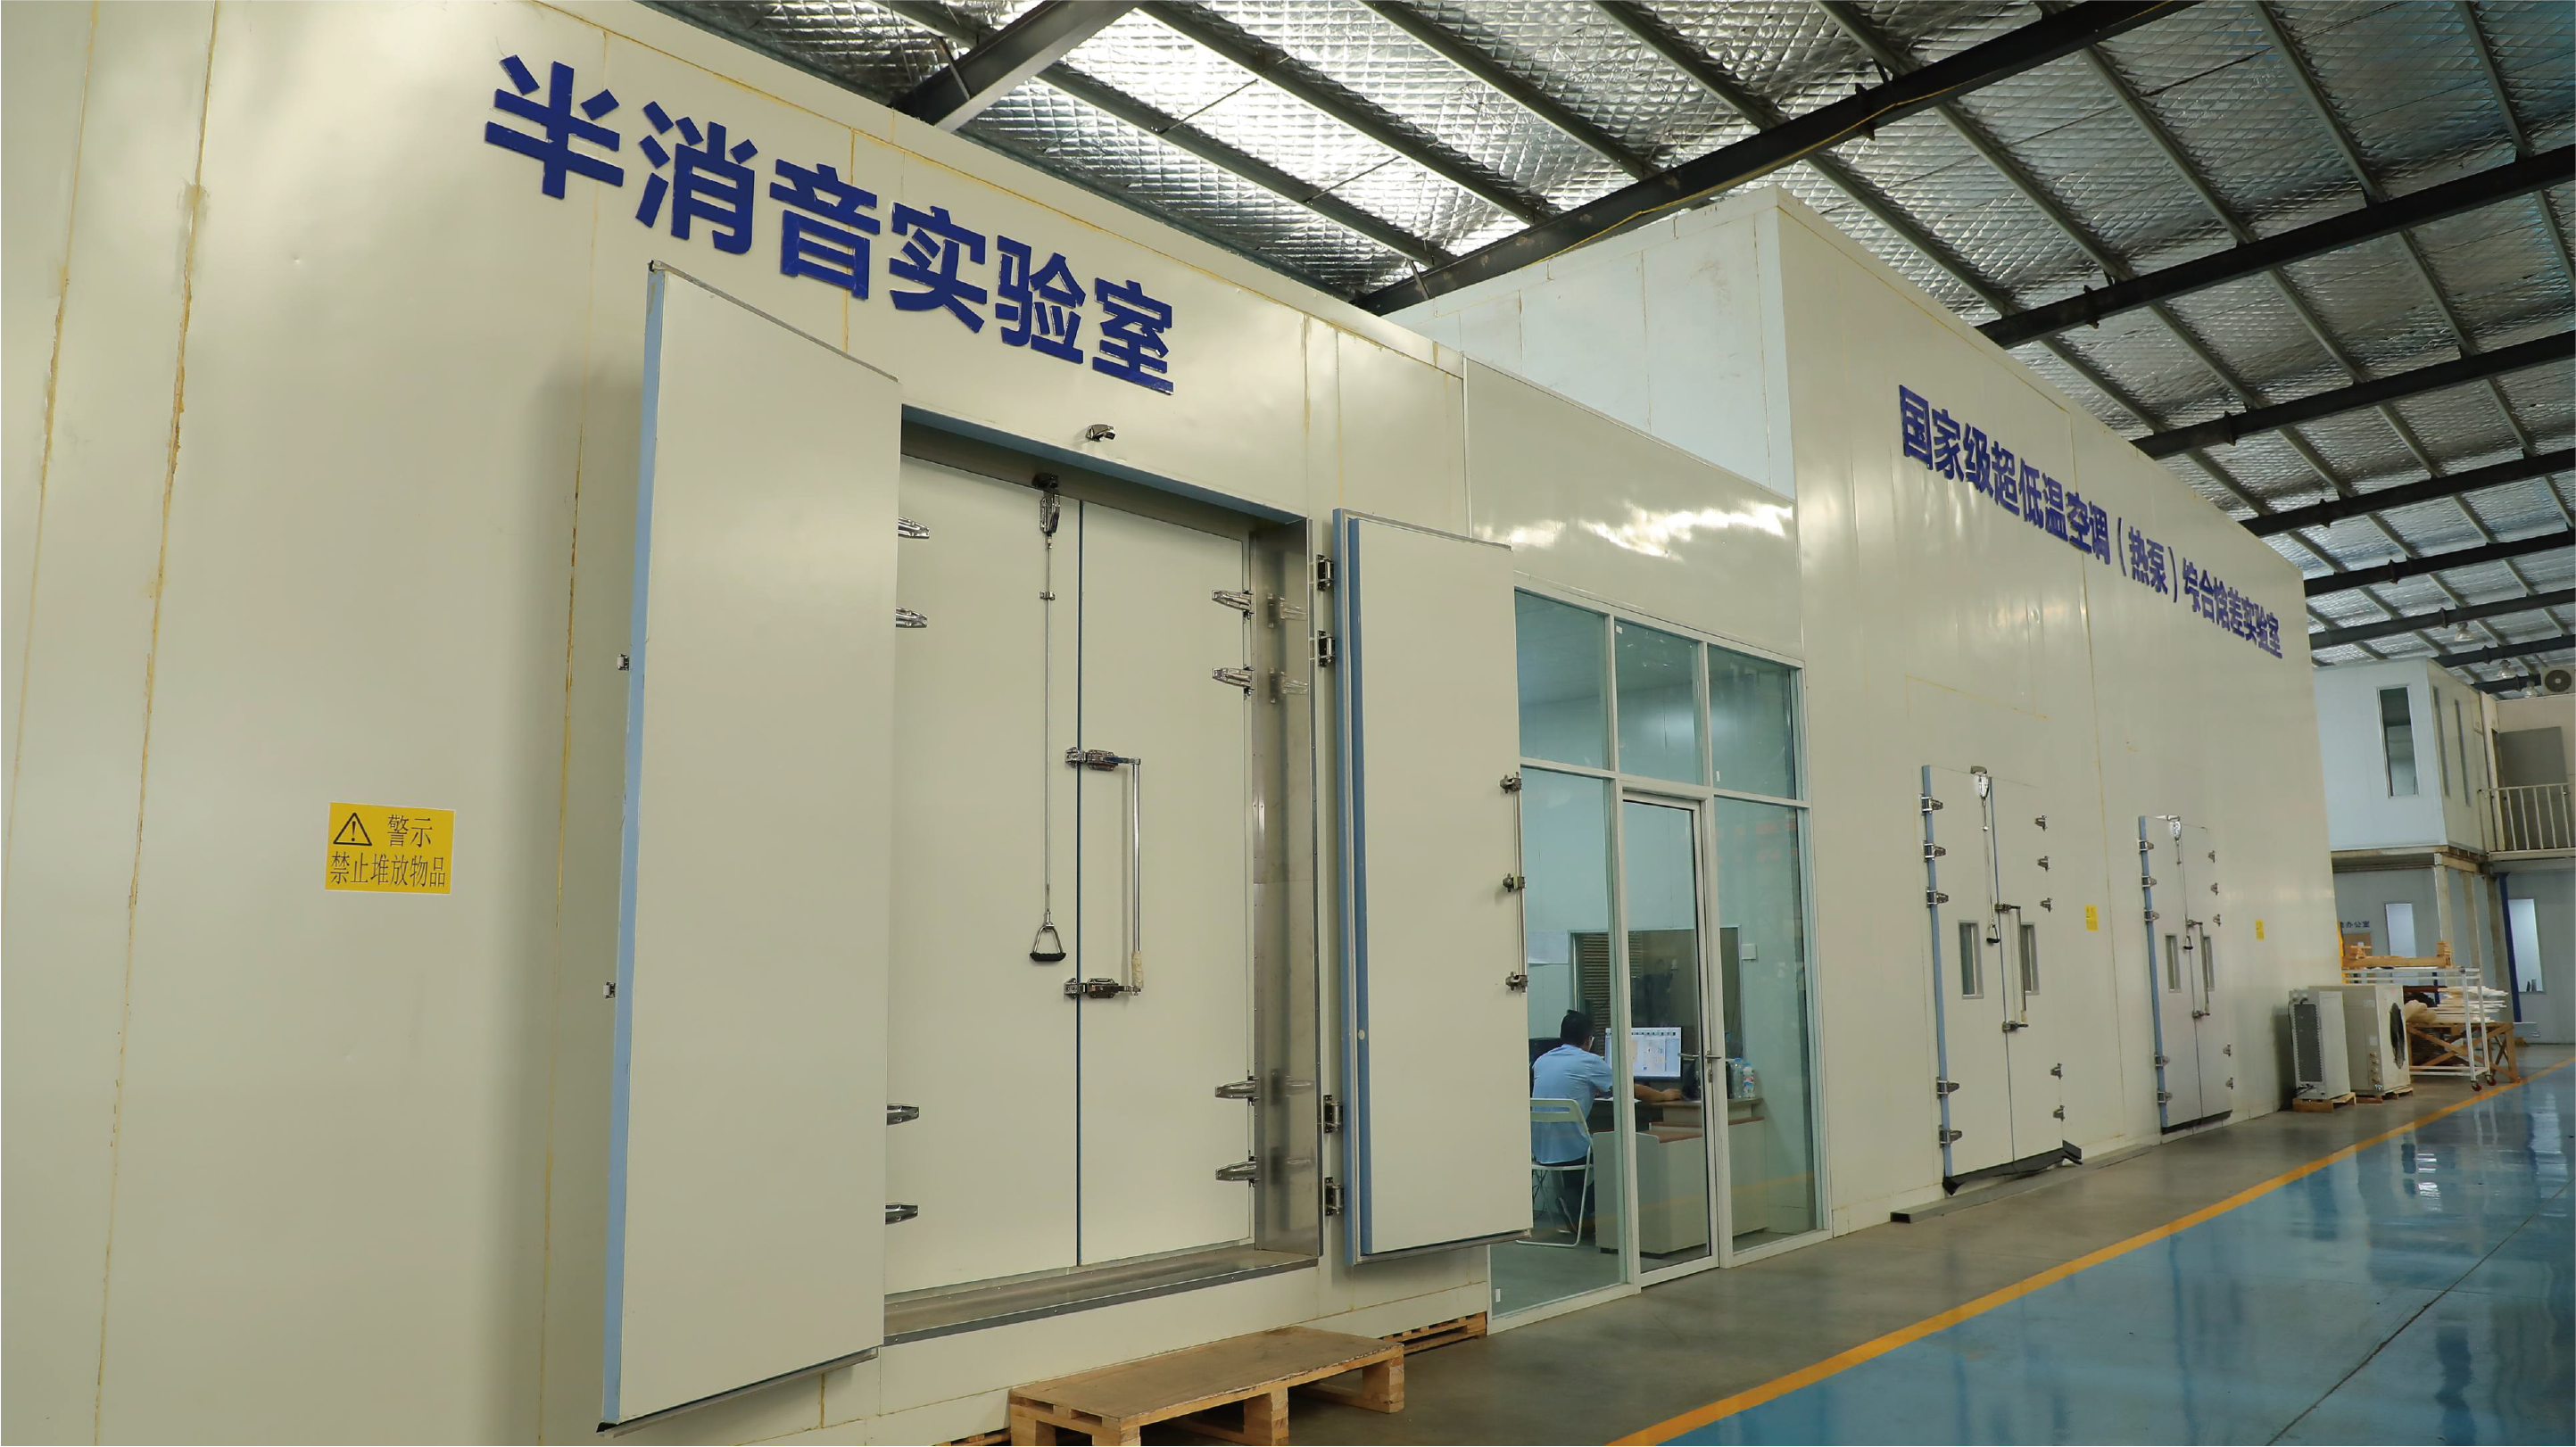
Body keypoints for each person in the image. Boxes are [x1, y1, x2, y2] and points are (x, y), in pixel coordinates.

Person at [1530, 1009, 1683, 1167]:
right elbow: (1630, 1090)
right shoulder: (1589, 1061)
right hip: (1576, 1153)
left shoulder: (1541, 1061)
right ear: (1588, 1040)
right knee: (1628, 1149)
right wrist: (1664, 1095)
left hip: (1540, 1153)